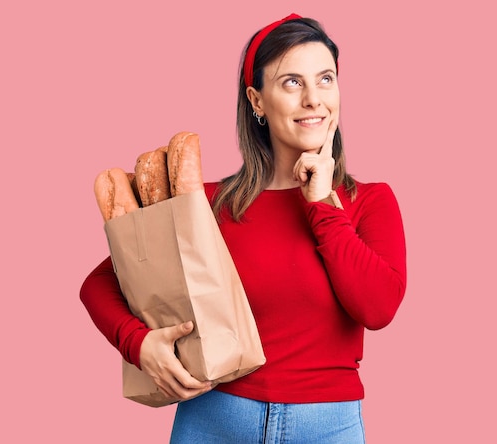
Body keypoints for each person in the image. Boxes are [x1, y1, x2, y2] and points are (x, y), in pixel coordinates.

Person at [80, 13, 406, 443]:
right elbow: (99, 283)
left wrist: (322, 204)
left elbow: (377, 308)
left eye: (325, 79)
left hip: (326, 428)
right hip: (212, 421)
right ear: (256, 101)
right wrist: (139, 345)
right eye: (292, 82)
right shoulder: (208, 203)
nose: (314, 99)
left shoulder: (368, 201)